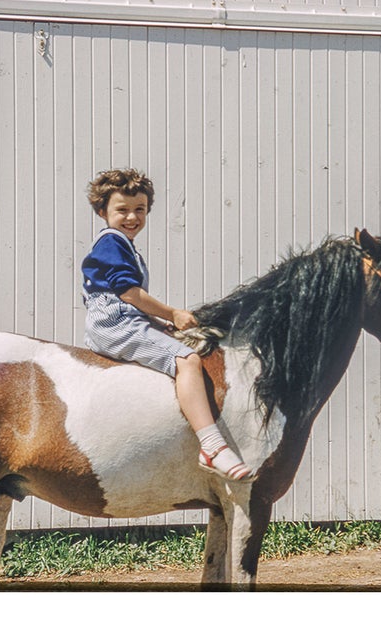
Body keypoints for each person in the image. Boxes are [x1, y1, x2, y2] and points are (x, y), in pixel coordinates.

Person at [81, 167, 252, 480]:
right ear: (102, 210)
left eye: (140, 210)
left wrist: (158, 325)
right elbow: (128, 293)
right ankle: (212, 446)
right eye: (122, 210)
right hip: (116, 322)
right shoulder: (112, 242)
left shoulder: (122, 244)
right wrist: (171, 314)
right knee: (187, 360)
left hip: (122, 318)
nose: (132, 217)